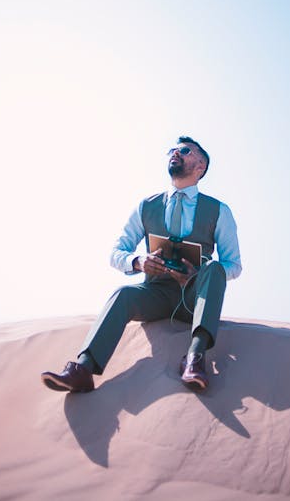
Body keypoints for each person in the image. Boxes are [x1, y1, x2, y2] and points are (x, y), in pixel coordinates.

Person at [41, 136, 241, 393]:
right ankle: (84, 369)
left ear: (201, 166)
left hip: (195, 298)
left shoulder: (219, 210)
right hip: (155, 295)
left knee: (215, 268)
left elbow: (233, 264)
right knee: (122, 294)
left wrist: (198, 274)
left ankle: (195, 358)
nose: (175, 154)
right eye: (172, 150)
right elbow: (116, 252)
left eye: (184, 151)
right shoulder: (146, 206)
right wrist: (138, 261)